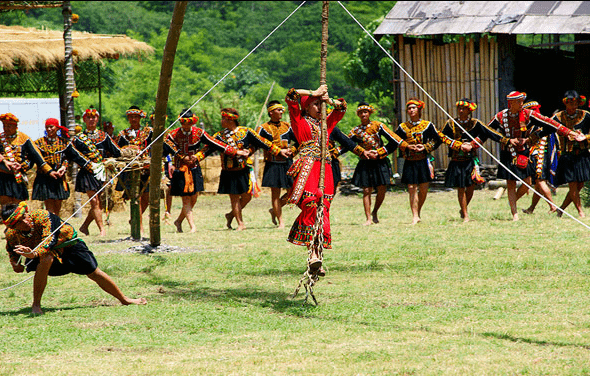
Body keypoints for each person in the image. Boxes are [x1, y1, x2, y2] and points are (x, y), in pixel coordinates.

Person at [3, 202, 147, 315]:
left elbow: (50, 241)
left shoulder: (43, 216)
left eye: (25, 217)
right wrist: (16, 264)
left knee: (93, 272)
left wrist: (33, 254)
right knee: (45, 259)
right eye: (20, 223)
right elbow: (12, 251)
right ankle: (36, 305)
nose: (26, 222)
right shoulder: (12, 234)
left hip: (68, 246)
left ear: (27, 213)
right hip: (44, 255)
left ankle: (124, 299)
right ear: (14, 227)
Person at [483, 91, 583, 221]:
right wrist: (506, 140)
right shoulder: (501, 116)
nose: (521, 104)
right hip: (507, 152)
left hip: (523, 152)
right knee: (511, 183)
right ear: (511, 103)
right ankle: (515, 214)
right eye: (519, 101)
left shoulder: (527, 114)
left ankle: (512, 202)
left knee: (528, 182)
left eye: (522, 101)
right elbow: (487, 130)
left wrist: (569, 132)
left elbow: (548, 122)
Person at [284, 85, 346, 274]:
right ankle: (312, 255)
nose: (320, 108)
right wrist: (314, 93)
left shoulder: (327, 124)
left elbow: (341, 108)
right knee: (311, 204)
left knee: (323, 208)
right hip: (308, 168)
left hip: (326, 169)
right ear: (306, 107)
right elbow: (291, 95)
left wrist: (329, 100)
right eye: (315, 104)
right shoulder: (299, 120)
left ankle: (317, 257)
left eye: (321, 104)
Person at [198, 108, 288, 231]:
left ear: (230, 120)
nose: (221, 121)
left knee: (247, 196)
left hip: (244, 169)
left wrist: (278, 151)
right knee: (234, 198)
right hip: (229, 171)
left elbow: (262, 142)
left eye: (223, 119)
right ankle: (241, 223)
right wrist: (195, 158)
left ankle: (230, 215)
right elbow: (207, 149)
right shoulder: (219, 136)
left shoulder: (246, 132)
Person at [164, 109, 247, 233]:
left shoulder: (199, 133)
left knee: (194, 198)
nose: (186, 126)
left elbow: (217, 143)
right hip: (180, 170)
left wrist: (235, 152)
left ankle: (179, 221)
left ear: (193, 122)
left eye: (189, 123)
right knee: (186, 199)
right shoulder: (172, 134)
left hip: (195, 169)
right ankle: (193, 227)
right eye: (183, 123)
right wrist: (182, 157)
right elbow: (169, 146)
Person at [348, 102, 409, 225]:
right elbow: (347, 145)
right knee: (366, 190)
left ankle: (375, 211)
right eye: (361, 112)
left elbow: (393, 139)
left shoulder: (378, 126)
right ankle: (368, 218)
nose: (363, 114)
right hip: (365, 162)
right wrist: (362, 152)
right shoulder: (355, 131)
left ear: (369, 113)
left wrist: (380, 152)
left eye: (365, 112)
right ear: (358, 115)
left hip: (379, 160)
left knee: (382, 188)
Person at [72, 107, 121, 236]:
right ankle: (102, 230)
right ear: (84, 120)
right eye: (88, 117)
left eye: (93, 117)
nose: (91, 120)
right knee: (94, 201)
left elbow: (116, 151)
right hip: (87, 173)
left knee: (98, 201)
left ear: (97, 119)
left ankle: (84, 226)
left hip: (101, 173)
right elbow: (73, 156)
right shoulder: (78, 139)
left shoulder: (104, 136)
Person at [439, 99, 489, 222]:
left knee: (471, 186)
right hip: (457, 160)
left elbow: (486, 134)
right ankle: (466, 215)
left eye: (464, 109)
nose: (461, 111)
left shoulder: (475, 124)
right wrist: (456, 145)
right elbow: (441, 136)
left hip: (470, 160)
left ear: (469, 110)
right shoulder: (450, 124)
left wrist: (472, 144)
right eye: (459, 109)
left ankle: (463, 208)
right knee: (461, 187)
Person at [395, 98, 442, 225]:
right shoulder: (403, 127)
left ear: (419, 109)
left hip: (423, 160)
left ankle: (418, 211)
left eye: (413, 108)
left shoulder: (428, 125)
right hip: (410, 160)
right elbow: (396, 140)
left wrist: (425, 147)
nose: (411, 110)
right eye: (409, 108)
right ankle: (414, 215)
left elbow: (437, 139)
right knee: (411, 187)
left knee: (424, 188)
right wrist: (407, 146)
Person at [32, 118, 93, 215]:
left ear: (57, 128)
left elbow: (74, 156)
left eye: (51, 127)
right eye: (47, 127)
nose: (49, 129)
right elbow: (35, 158)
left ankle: (56, 226)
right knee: (49, 206)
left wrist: (64, 167)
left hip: (58, 176)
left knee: (57, 206)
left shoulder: (64, 143)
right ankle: (52, 227)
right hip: (45, 177)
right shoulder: (39, 143)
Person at [256, 100, 297, 229]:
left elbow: (300, 141)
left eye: (281, 110)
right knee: (275, 193)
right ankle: (281, 221)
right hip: (273, 164)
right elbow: (257, 142)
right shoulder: (263, 128)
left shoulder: (287, 126)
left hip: (287, 163)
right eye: (278, 110)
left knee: (293, 191)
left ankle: (274, 210)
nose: (281, 112)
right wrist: (277, 150)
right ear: (271, 112)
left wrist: (293, 150)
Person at [0, 113, 57, 205]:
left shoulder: (24, 138)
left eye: (9, 126)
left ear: (15, 126)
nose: (6, 128)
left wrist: (49, 171)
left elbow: (36, 156)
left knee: (19, 206)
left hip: (18, 176)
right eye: (4, 126)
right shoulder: (0, 138)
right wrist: (4, 161)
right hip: (3, 177)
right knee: (5, 206)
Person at [551, 90, 590, 218]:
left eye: (575, 103)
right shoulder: (558, 117)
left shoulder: (586, 115)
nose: (573, 106)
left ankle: (561, 209)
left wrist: (586, 137)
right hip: (567, 154)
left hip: (583, 154)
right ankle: (580, 211)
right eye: (570, 103)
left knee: (580, 184)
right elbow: (546, 126)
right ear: (565, 103)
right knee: (572, 183)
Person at [116, 106, 153, 232]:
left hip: (145, 167)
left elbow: (157, 145)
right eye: (131, 117)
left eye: (136, 117)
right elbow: (117, 149)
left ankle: (135, 218)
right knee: (136, 197)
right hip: (130, 168)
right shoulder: (123, 134)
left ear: (140, 118)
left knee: (147, 196)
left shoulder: (148, 132)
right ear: (128, 118)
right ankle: (140, 227)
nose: (133, 119)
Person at [520, 101, 559, 214]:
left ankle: (552, 206)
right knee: (538, 184)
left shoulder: (535, 125)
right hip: (543, 155)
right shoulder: (544, 123)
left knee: (541, 182)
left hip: (539, 155)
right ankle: (531, 208)